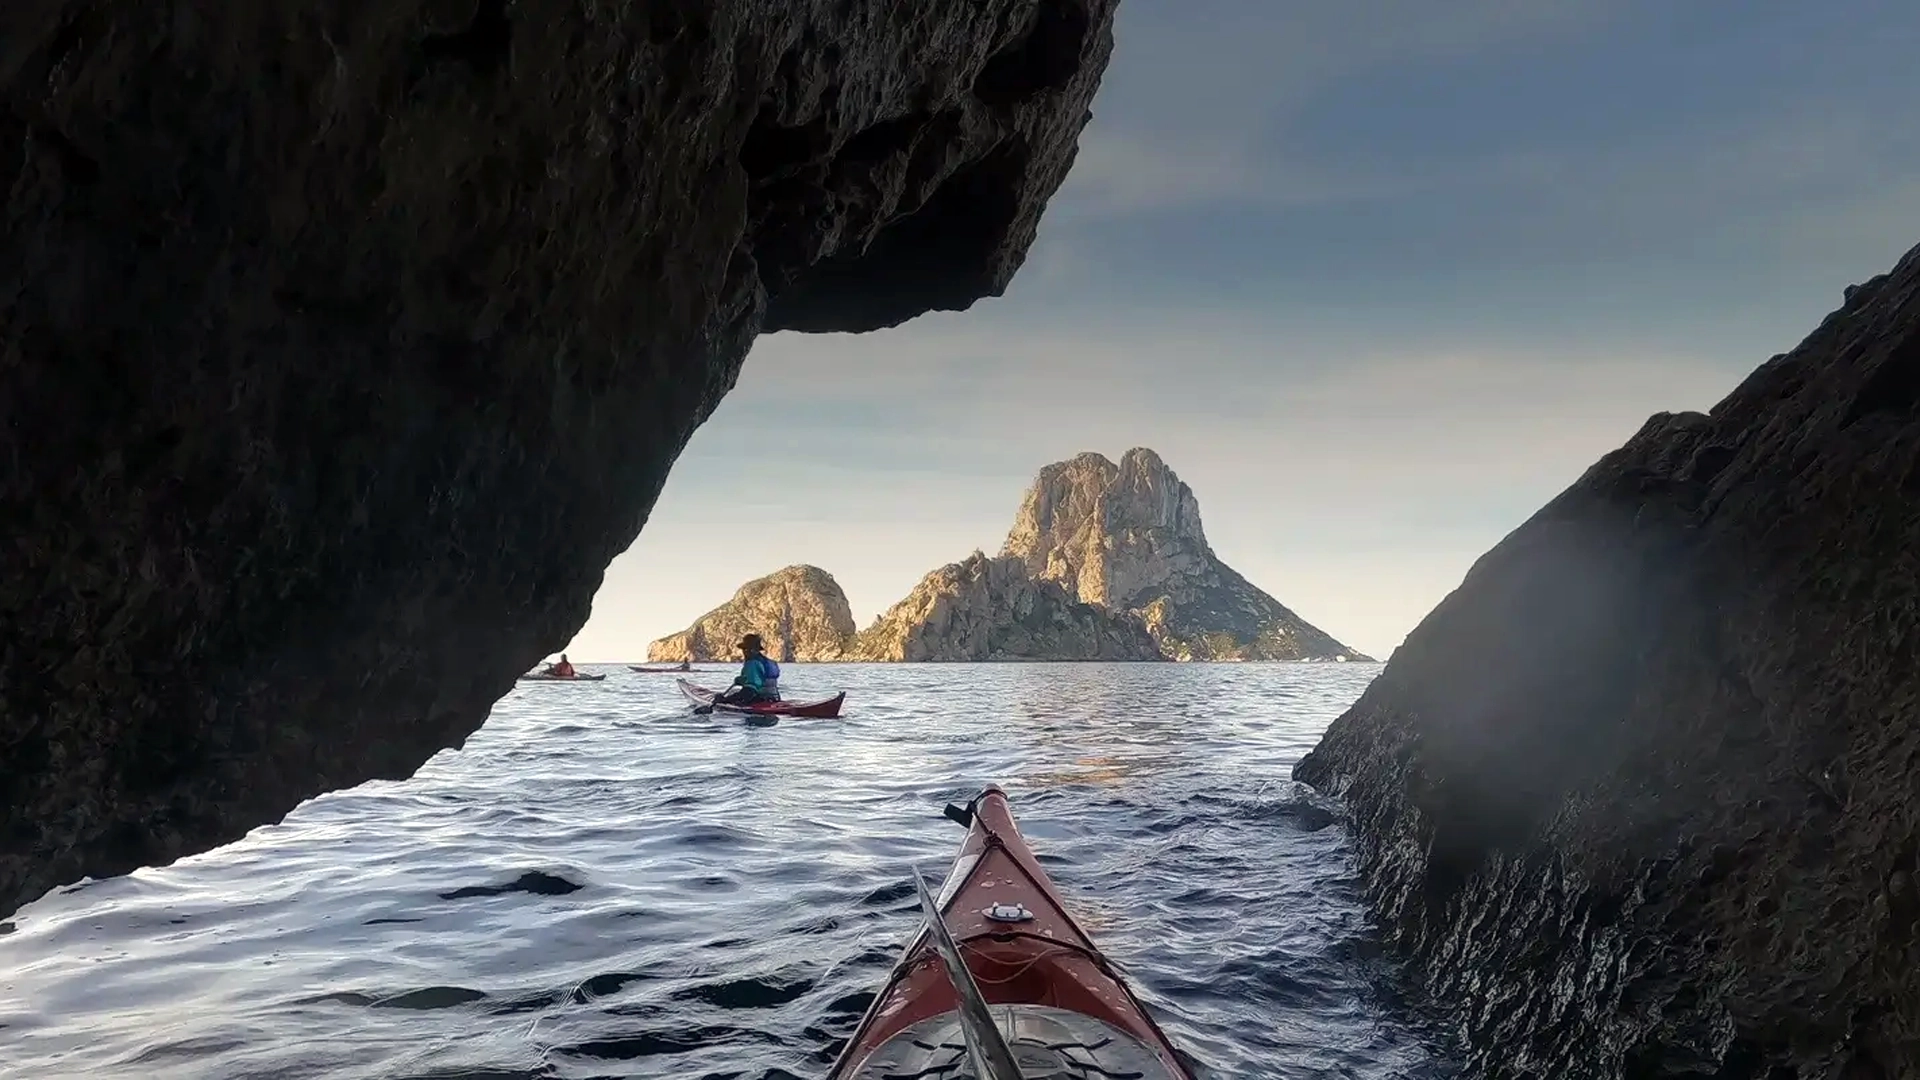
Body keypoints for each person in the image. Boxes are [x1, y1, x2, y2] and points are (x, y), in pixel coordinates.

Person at [716, 634, 780, 704]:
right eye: (744, 649)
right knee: (734, 692)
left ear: (753, 650)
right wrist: (743, 680)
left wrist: (724, 700)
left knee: (733, 694)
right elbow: (760, 680)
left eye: (746, 649)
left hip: (758, 700)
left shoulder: (752, 664)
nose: (745, 652)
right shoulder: (769, 662)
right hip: (774, 698)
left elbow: (750, 691)